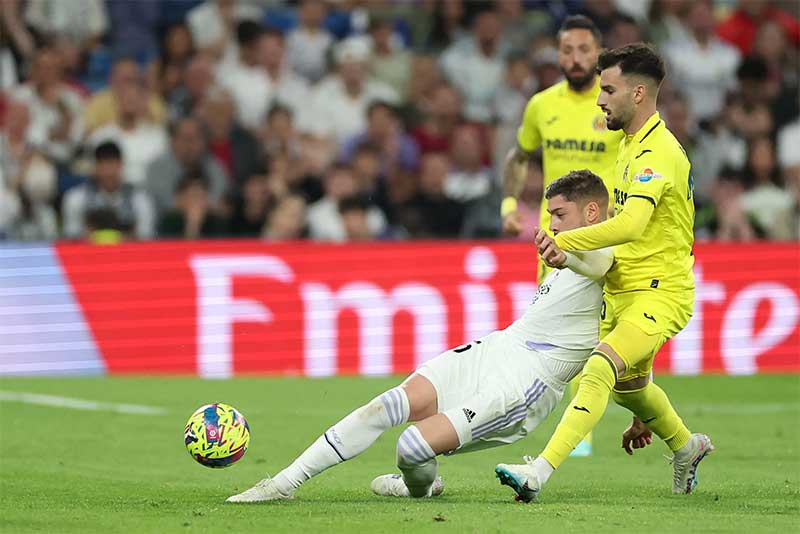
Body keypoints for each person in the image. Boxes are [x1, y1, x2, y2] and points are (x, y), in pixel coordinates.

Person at [226, 169, 614, 503]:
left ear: (592, 211)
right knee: (386, 404)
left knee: (410, 446)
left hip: (526, 384)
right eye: (551, 216)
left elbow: (599, 264)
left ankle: (418, 489)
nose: (553, 225)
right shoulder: (566, 248)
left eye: (560, 215)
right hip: (499, 347)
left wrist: (568, 256)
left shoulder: (608, 252)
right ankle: (282, 483)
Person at [495, 43, 713, 504]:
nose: (599, 99)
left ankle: (537, 472)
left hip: (659, 292)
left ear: (638, 94)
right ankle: (686, 446)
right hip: (622, 290)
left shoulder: (657, 153)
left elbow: (632, 225)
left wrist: (565, 240)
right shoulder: (630, 144)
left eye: (608, 89)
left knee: (598, 369)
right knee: (631, 391)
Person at [500, 14, 625, 457]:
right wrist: (510, 204)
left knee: (605, 328)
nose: (575, 58)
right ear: (557, 54)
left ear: (599, 52)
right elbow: (520, 156)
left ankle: (589, 426)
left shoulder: (614, 104)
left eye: (584, 50)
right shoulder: (541, 105)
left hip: (608, 234)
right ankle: (559, 421)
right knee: (556, 332)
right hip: (556, 237)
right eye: (567, 50)